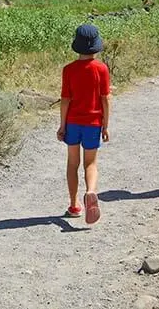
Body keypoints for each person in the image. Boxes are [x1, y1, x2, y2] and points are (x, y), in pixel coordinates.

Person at [56, 24, 111, 224]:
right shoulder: (102, 69)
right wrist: (105, 124)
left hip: (73, 122)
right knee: (91, 162)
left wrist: (62, 125)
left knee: (72, 163)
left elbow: (65, 99)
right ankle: (91, 192)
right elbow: (105, 98)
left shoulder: (68, 70)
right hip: (93, 122)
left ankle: (74, 204)